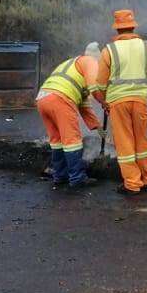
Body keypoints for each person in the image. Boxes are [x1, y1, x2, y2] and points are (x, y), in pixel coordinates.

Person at [93, 9, 147, 194]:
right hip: (140, 99)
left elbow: (100, 83)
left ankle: (132, 184)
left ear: (117, 29)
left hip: (118, 102)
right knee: (142, 140)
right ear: (133, 26)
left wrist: (104, 100)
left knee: (125, 143)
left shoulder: (109, 50)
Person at [37, 47, 103, 189]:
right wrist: (105, 102)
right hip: (61, 99)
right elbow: (94, 88)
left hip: (43, 98)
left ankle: (60, 176)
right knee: (72, 141)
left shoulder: (72, 65)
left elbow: (84, 106)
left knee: (57, 141)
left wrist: (97, 127)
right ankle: (77, 178)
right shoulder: (91, 61)